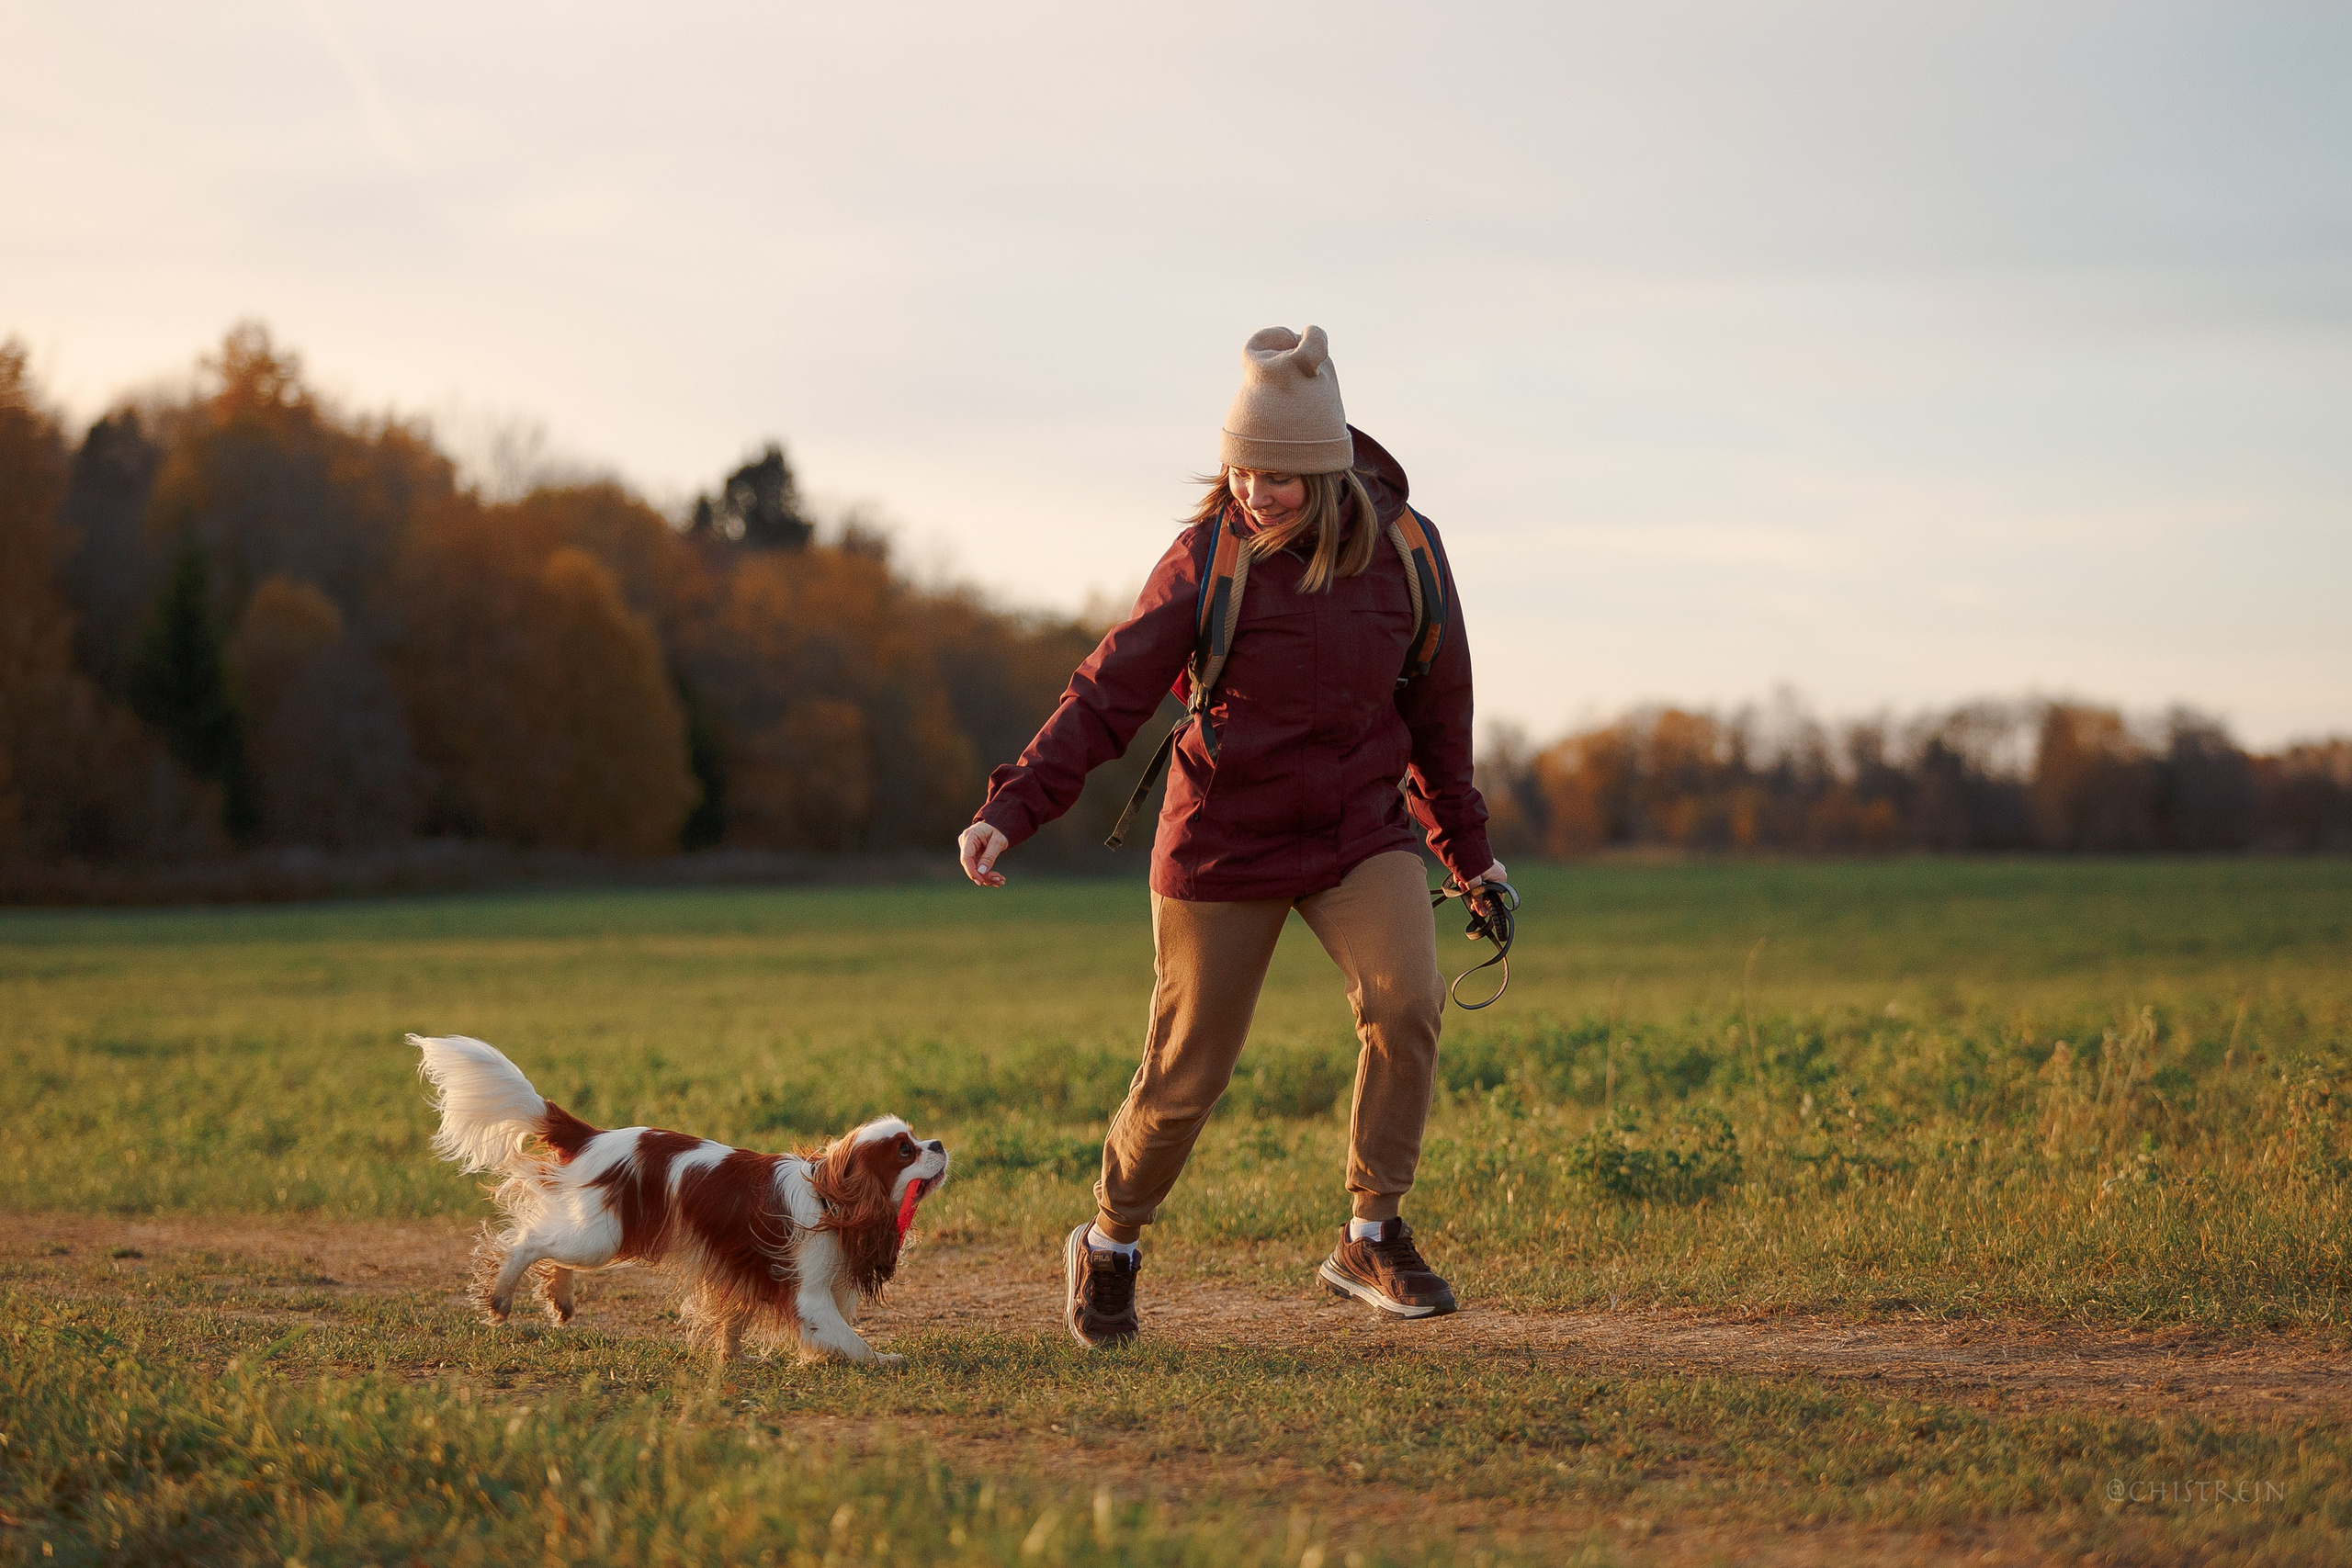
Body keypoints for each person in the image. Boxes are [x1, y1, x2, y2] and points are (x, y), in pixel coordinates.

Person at [956, 326, 1504, 1348]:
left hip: (1357, 831)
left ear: (1326, 471)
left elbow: (1441, 719)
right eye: (1240, 467)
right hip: (1220, 839)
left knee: (1406, 1000)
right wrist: (1010, 807)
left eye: (1279, 476)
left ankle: (1370, 1231)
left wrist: (1468, 858)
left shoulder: (1408, 554)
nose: (1255, 490)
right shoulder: (1207, 556)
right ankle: (1111, 1240)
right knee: (1186, 1074)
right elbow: (1107, 693)